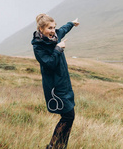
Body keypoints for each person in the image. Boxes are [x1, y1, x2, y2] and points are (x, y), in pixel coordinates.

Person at [31, 14, 80, 149]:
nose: (53, 30)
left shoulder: (55, 36)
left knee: (69, 116)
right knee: (68, 116)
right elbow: (49, 64)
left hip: (64, 83)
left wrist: (72, 23)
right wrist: (58, 49)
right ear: (41, 29)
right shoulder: (39, 46)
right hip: (54, 87)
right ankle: (52, 146)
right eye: (49, 28)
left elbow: (63, 29)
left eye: (53, 27)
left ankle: (61, 146)